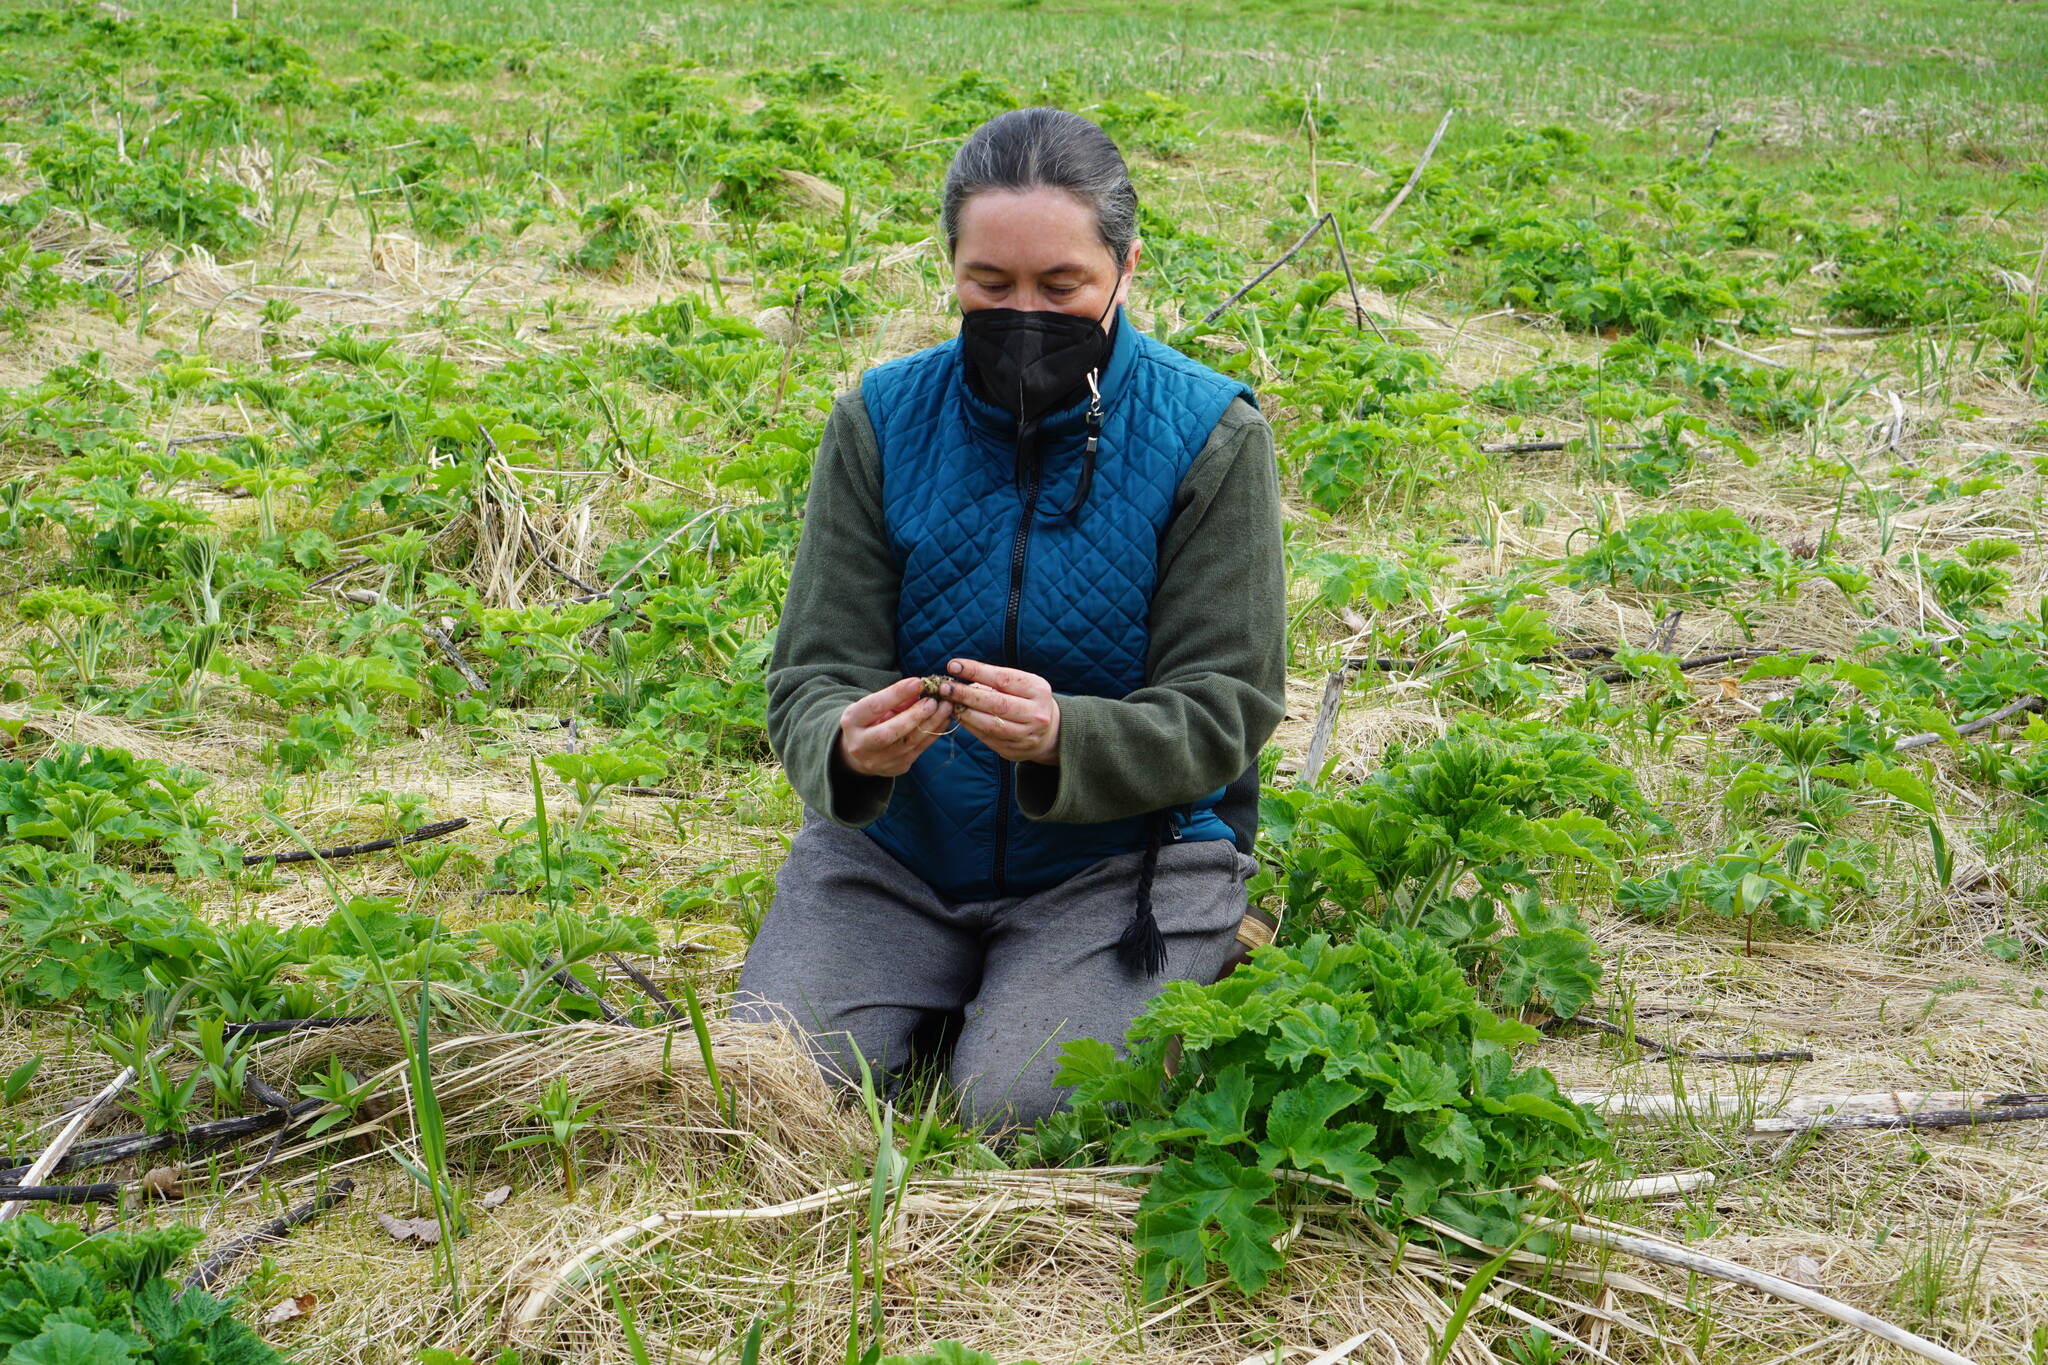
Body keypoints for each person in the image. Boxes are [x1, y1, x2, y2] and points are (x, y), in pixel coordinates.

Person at [734, 106, 1286, 1131]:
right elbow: (812, 668)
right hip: (899, 855)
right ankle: (955, 987)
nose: (1021, 310)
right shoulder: (880, 419)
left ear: (1125, 268)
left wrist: (1067, 736)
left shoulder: (1209, 434)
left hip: (1122, 866)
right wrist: (846, 747)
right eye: (989, 285)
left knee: (1022, 1112)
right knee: (767, 1090)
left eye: (1060, 286)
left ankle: (1141, 957)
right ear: (951, 269)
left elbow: (1225, 706)